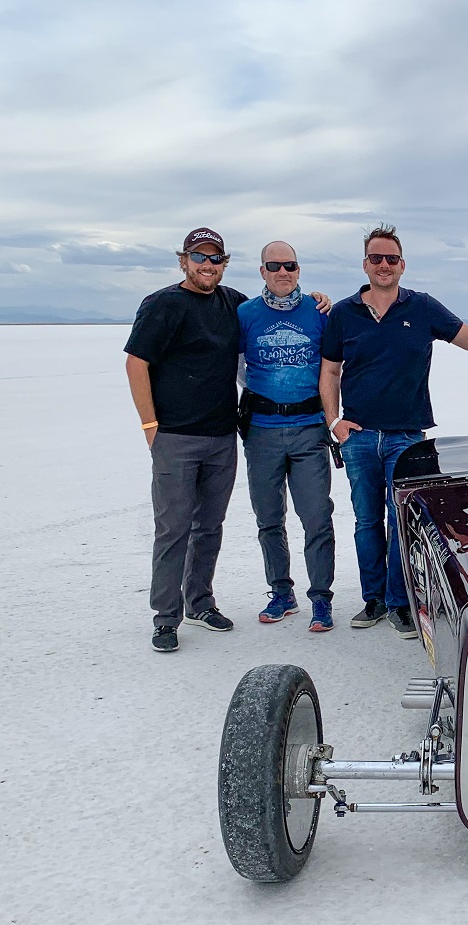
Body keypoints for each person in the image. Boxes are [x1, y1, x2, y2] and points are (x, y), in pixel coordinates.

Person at [319, 224, 468, 639]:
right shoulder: (344, 313)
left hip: (406, 437)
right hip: (360, 436)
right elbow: (330, 370)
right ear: (365, 263)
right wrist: (334, 422)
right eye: (376, 258)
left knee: (401, 519)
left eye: (391, 259)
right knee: (367, 521)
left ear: (402, 265)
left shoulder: (421, 308)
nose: (383, 265)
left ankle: (400, 602)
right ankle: (373, 599)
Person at [124, 228, 330, 653]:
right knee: (172, 528)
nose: (207, 265)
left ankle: (199, 602)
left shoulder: (232, 304)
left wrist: (319, 299)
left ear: (224, 264)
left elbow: (270, 317)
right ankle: (166, 618)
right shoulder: (162, 304)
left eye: (215, 258)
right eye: (199, 257)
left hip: (222, 435)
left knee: (209, 527)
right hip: (176, 436)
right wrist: (150, 427)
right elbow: (136, 364)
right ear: (183, 261)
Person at [238, 241, 336, 634]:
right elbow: (238, 365)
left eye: (290, 265)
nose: (283, 272)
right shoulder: (245, 313)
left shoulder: (320, 311)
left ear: (299, 270)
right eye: (274, 266)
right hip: (261, 432)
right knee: (268, 518)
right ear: (262, 271)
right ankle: (281, 592)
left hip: (309, 429)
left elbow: (335, 365)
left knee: (316, 516)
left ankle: (321, 598)